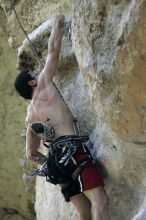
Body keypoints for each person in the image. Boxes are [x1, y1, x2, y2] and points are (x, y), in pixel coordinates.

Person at [14, 14, 111, 220]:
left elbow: (31, 153)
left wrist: (51, 166)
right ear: (32, 83)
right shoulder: (43, 87)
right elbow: (53, 51)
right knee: (100, 201)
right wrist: (56, 23)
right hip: (74, 152)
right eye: (33, 76)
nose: (36, 75)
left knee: (84, 211)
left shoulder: (30, 117)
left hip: (58, 163)